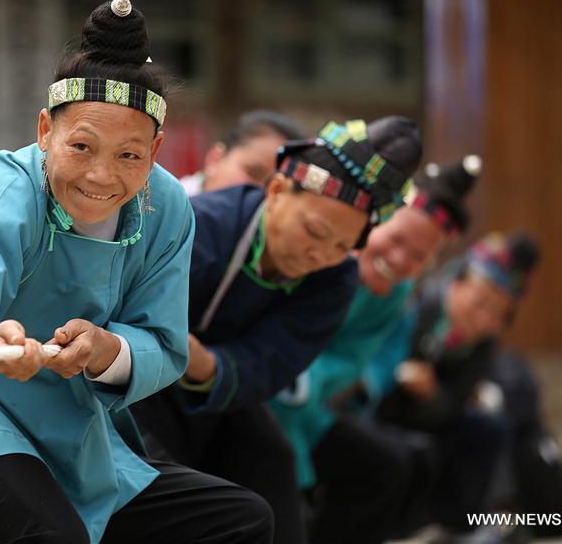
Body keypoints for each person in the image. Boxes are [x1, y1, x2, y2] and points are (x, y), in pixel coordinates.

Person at [0, 0, 273, 544]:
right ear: (45, 131)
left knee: (240, 521)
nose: (101, 175)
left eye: (129, 155)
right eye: (81, 146)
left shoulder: (169, 207)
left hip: (75, 427)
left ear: (155, 152)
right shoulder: (8, 187)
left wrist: (106, 350)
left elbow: (164, 342)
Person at [133, 116, 422, 544]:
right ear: (276, 189)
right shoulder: (202, 224)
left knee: (271, 460)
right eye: (314, 232)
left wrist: (207, 362)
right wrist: (174, 352)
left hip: (220, 388)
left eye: (342, 247)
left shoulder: (336, 277)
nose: (318, 254)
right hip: (139, 383)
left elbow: (276, 360)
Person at [270, 155, 481, 543]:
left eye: (418, 256)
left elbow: (361, 357)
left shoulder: (398, 292)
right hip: (260, 386)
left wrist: (344, 382)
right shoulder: (321, 252)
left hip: (311, 403)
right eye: (397, 240)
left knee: (386, 464)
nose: (400, 260)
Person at [374, 232, 540, 535]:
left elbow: (452, 403)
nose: (483, 319)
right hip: (380, 410)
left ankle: (459, 526)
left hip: (427, 415)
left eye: (498, 315)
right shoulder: (415, 304)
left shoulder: (481, 345)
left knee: (490, 428)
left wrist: (432, 395)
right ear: (457, 283)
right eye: (479, 304)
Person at [178, 110, 306, 196]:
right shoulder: (167, 209)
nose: (259, 193)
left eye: (277, 188)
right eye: (253, 173)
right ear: (215, 158)